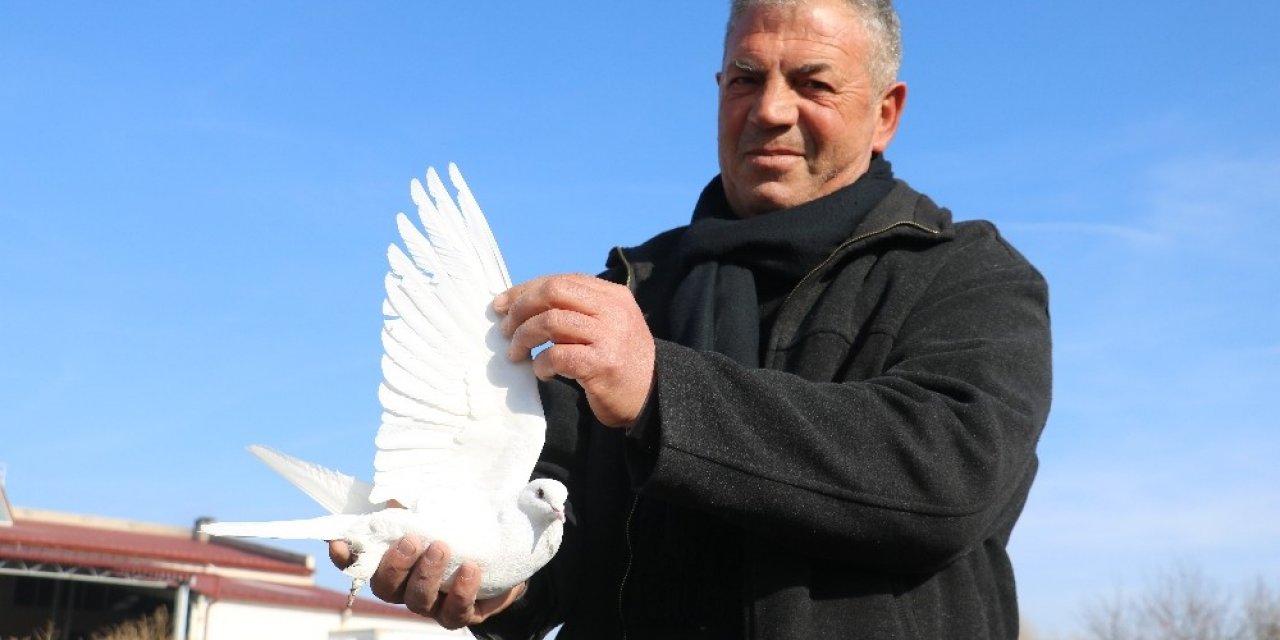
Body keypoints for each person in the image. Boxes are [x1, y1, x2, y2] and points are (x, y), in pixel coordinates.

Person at [332, 0, 1052, 637]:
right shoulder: (629, 294)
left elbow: (947, 477)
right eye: (746, 78)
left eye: (813, 82)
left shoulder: (970, 275)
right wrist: (492, 580)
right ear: (718, 93)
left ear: (885, 113)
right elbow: (556, 535)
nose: (770, 108)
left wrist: (660, 393)